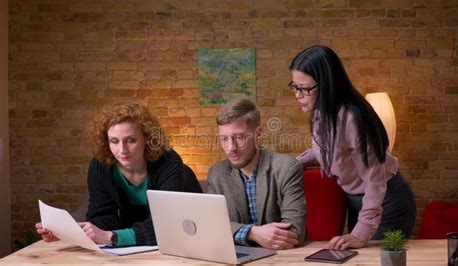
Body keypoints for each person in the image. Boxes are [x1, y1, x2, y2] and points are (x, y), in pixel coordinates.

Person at [288, 45, 416, 250]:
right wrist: (291, 164)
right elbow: (331, 151)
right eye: (294, 87)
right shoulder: (322, 112)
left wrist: (362, 232)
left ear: (327, 84)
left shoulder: (354, 118)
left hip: (385, 203)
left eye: (304, 88)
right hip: (358, 201)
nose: (298, 94)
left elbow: (375, 180)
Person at [36, 102, 202, 247]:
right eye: (114, 141)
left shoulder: (168, 161)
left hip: (188, 236)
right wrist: (73, 232)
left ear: (147, 139)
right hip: (137, 244)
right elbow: (101, 217)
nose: (122, 150)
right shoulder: (100, 165)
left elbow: (167, 223)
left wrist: (112, 237)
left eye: (130, 140)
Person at [207, 98, 306, 250]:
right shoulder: (217, 174)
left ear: (258, 134)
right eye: (224, 139)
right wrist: (252, 233)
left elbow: (294, 233)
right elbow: (211, 225)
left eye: (239, 137)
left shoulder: (287, 168)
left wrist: (235, 231)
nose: (230, 147)